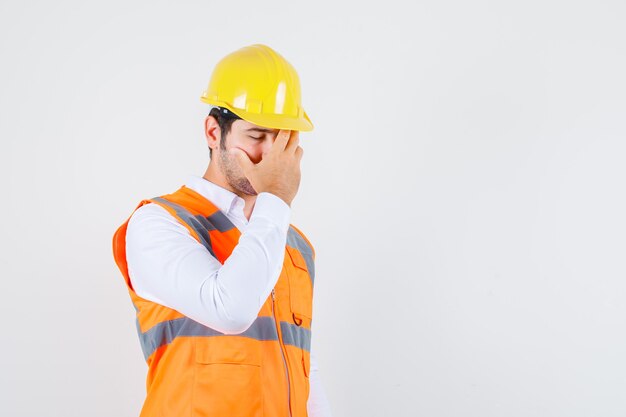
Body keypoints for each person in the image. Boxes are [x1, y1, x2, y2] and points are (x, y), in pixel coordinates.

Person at [112, 44, 333, 417]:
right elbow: (230, 309)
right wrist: (276, 197)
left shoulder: (295, 246)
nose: (269, 156)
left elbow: (301, 366)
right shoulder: (160, 223)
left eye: (281, 140)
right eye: (257, 136)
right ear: (214, 132)